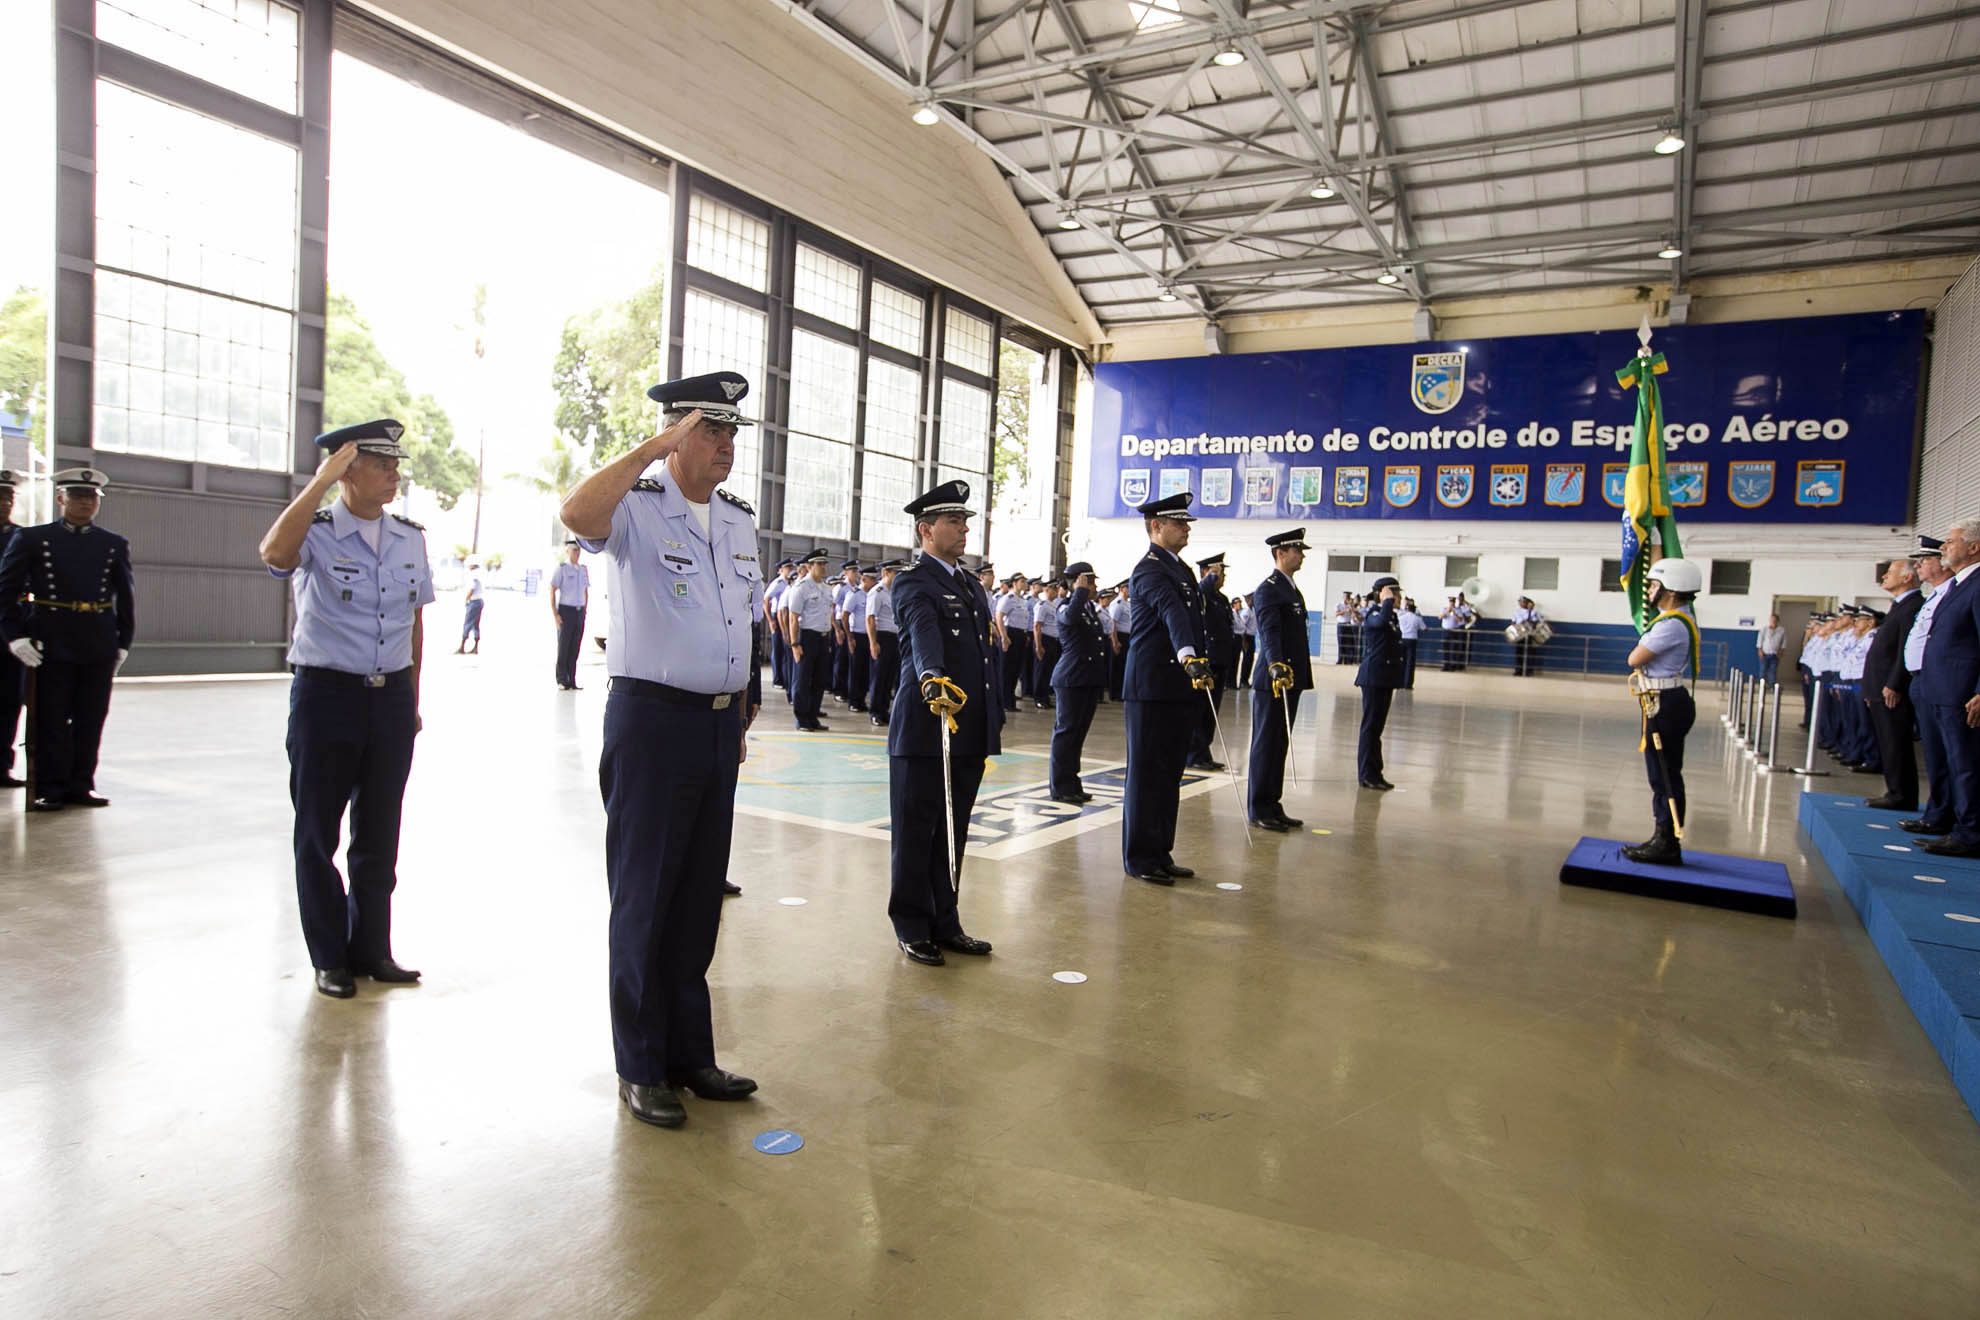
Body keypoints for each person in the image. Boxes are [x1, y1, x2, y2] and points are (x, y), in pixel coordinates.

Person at [559, 373, 763, 1129]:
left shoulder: (738, 522)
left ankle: (689, 1055)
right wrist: (649, 450)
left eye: (731, 432)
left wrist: (739, 710)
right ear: (676, 435)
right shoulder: (637, 509)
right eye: (711, 430)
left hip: (716, 725)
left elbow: (743, 621)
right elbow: (576, 514)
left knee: (698, 897)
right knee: (645, 895)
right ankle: (641, 1065)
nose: (726, 445)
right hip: (651, 722)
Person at [256, 422, 429, 995]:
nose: (394, 474)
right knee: (317, 832)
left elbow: (414, 624)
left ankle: (371, 949)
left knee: (380, 830)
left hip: (390, 700)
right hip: (326, 697)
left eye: (395, 464)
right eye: (382, 464)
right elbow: (274, 554)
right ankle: (329, 956)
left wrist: (413, 699)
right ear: (347, 470)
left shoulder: (409, 538)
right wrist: (318, 484)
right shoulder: (317, 530)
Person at [886, 479, 1000, 966]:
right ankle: (912, 925)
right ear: (926, 530)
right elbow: (923, 633)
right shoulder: (913, 581)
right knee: (917, 832)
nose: (964, 529)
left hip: (967, 728)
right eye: (954, 521)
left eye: (964, 521)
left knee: (953, 830)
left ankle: (946, 923)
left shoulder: (970, 584)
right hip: (927, 724)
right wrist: (932, 676)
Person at [1, 466, 137, 814]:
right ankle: (51, 787)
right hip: (51, 639)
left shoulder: (113, 544)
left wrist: (123, 641)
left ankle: (81, 784)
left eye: (90, 497)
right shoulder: (33, 539)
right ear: (61, 498)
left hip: (98, 640)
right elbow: (7, 592)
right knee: (52, 718)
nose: (84, 503)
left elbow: (125, 597)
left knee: (91, 717)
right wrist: (15, 636)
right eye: (77, 496)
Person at [1122, 493, 1213, 885]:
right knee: (1146, 774)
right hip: (1151, 686)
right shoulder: (1149, 570)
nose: (1186, 528)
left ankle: (1161, 851)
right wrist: (1188, 654)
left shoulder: (1182, 570)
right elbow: (1172, 613)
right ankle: (1140, 857)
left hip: (1178, 685)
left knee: (1169, 773)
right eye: (1179, 523)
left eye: (1187, 523)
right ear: (1157, 526)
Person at [1621, 558, 1704, 864]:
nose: (1649, 591)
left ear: (1671, 590)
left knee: (1664, 776)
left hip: (1666, 703)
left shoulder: (1671, 625)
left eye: (1654, 585)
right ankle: (1664, 836)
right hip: (1665, 699)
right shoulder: (1676, 619)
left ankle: (1667, 841)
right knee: (1664, 772)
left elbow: (1634, 658)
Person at [1915, 516, 1980, 858]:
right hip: (1941, 689)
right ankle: (1954, 823)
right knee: (1952, 763)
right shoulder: (1957, 585)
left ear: (1974, 547)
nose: (1943, 547)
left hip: (1962, 692)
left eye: (1951, 541)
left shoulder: (1977, 584)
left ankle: (1970, 834)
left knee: (1966, 765)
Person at [1247, 529, 1311, 831]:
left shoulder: (1291, 589)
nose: (1302, 555)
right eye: (1297, 550)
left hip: (1290, 676)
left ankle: (1273, 803)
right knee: (1266, 743)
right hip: (1274, 678)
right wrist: (1276, 665)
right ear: (1280, 553)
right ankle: (1259, 807)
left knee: (1279, 743)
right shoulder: (1269, 589)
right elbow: (1269, 632)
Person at [1898, 537, 1953, 835]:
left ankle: (1945, 816)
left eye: (1925, 559)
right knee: (1934, 753)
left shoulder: (1953, 593)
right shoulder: (1935, 595)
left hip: (1941, 680)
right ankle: (1937, 812)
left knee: (1947, 754)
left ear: (1942, 563)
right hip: (1922, 678)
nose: (1918, 565)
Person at [1865, 558, 1925, 812]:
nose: (1884, 577)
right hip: (1880, 687)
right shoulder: (1899, 606)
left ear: (1907, 577)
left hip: (1891, 689)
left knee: (1895, 742)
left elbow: (1904, 650)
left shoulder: (1912, 606)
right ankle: (1895, 791)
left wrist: (1895, 684)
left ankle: (1901, 795)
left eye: (1890, 572)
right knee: (1888, 742)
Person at [1049, 563, 1108, 804]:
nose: (1094, 587)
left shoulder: (1089, 608)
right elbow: (1070, 619)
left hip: (1087, 678)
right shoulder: (1065, 606)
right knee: (1066, 733)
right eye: (1089, 583)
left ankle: (1072, 783)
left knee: (1078, 735)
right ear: (1077, 583)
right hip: (1071, 678)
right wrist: (1080, 592)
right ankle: (1061, 787)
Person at [1185, 552, 1236, 771]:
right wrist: (1209, 578)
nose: (1222, 577)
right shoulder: (1201, 593)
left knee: (1211, 712)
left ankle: (1204, 752)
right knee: (1201, 710)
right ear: (1206, 573)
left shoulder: (1221, 599)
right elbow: (1199, 593)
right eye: (1218, 572)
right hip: (1207, 660)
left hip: (1220, 660)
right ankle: (1194, 754)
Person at [1356, 575, 1406, 790]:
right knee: (1370, 728)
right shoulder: (1374, 613)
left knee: (1377, 729)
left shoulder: (1390, 616)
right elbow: (1380, 623)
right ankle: (1367, 774)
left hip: (1385, 677)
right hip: (1373, 677)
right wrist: (1386, 601)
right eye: (1395, 594)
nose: (1399, 598)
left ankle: (1375, 773)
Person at [781, 549, 833, 731]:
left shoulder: (826, 588)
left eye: (824, 563)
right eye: (820, 564)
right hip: (807, 637)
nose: (823, 567)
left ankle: (813, 716)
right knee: (802, 680)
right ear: (809, 566)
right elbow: (793, 618)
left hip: (823, 638)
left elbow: (828, 615)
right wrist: (795, 644)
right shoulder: (801, 587)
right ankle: (801, 719)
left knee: (819, 680)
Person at [0, 470, 22, 789]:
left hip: (10, 635)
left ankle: (2, 766)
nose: (5, 503)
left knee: (8, 701)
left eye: (8, 497)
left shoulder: (22, 539)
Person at [549, 538, 591, 690]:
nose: (577, 553)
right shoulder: (562, 569)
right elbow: (552, 590)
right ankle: (562, 679)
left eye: (578, 550)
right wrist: (555, 614)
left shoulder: (583, 569)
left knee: (575, 647)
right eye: (574, 550)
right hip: (566, 611)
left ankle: (572, 680)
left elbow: (585, 591)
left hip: (579, 612)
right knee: (564, 647)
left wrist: (585, 610)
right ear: (568, 551)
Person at [866, 559, 903, 725]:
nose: (898, 576)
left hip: (895, 638)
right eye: (895, 572)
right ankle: (875, 711)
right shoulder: (877, 592)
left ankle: (884, 710)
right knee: (879, 677)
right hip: (882, 637)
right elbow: (870, 618)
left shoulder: (896, 592)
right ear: (885, 573)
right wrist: (873, 643)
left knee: (889, 678)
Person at [996, 571, 1033, 711]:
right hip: (1010, 633)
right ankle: (1004, 702)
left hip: (1020, 635)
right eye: (1022, 581)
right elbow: (999, 616)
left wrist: (1025, 635)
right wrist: (1004, 636)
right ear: (1014, 583)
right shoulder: (1008, 598)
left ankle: (1010, 701)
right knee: (1006, 670)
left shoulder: (1022, 600)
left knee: (1016, 669)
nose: (1025, 584)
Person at [1031, 577, 1062, 710]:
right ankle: (1039, 698)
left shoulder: (1053, 605)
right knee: (1041, 671)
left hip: (1053, 641)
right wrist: (1038, 646)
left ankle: (1045, 697)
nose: (1057, 591)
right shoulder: (1042, 605)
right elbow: (1037, 626)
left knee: (1049, 670)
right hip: (1044, 640)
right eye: (1054, 589)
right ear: (1047, 590)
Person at [764, 559, 795, 691]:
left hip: (787, 617)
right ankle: (777, 679)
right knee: (778, 649)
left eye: (791, 567)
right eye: (788, 568)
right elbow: (766, 600)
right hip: (777, 617)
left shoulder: (791, 583)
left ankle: (784, 677)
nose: (790, 570)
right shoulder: (778, 583)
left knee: (786, 648)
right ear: (781, 570)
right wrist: (771, 621)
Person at [1106, 580, 1132, 700]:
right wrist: (1115, 641)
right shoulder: (1118, 603)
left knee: (1123, 665)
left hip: (1127, 637)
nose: (1130, 590)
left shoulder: (1127, 603)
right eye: (1128, 587)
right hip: (1119, 636)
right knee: (1116, 665)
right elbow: (1113, 623)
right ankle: (1115, 693)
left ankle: (1121, 691)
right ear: (1122, 589)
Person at [1510, 596, 1543, 676]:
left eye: (1522, 602)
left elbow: (1536, 623)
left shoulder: (1533, 612)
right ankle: (1518, 670)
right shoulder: (1517, 612)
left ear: (1527, 603)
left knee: (1529, 653)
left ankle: (1528, 671)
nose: (1520, 603)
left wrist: (1530, 612)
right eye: (1520, 602)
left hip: (1528, 634)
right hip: (1519, 634)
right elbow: (1513, 622)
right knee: (1519, 652)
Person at [457, 561, 484, 654]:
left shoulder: (473, 575)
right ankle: (475, 648)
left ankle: (462, 647)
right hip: (479, 601)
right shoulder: (480, 574)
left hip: (474, 601)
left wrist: (466, 599)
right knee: (475, 625)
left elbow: (472, 588)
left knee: (467, 623)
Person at [1397, 596, 1423, 690]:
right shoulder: (1417, 618)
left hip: (1403, 639)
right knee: (1410, 662)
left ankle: (1400, 682)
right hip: (1412, 640)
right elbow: (1424, 628)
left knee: (1402, 661)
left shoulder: (1401, 617)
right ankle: (1408, 684)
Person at [1233, 592, 1256, 688]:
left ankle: (1245, 680)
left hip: (1251, 637)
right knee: (1247, 659)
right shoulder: (1246, 612)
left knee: (1250, 659)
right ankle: (1243, 680)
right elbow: (1242, 626)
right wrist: (1244, 641)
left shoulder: (1252, 610)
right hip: (1247, 637)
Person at [1756, 612, 1786, 684]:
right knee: (1763, 670)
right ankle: (1762, 685)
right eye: (1772, 620)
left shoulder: (1781, 630)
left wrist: (1781, 652)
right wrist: (1760, 650)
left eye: (1775, 620)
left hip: (1775, 654)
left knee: (1773, 671)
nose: (1773, 621)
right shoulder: (1764, 629)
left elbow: (1784, 642)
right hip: (1764, 653)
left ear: (1778, 621)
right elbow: (1760, 640)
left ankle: (1771, 685)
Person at [1334, 591, 1357, 665]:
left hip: (1348, 624)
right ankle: (1340, 659)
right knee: (1341, 642)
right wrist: (1345, 611)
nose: (1347, 598)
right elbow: (1337, 613)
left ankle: (1348, 660)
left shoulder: (1350, 605)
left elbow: (1354, 613)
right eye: (1346, 597)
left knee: (1348, 643)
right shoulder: (1339, 604)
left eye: (1348, 597)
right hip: (1341, 625)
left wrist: (1351, 607)